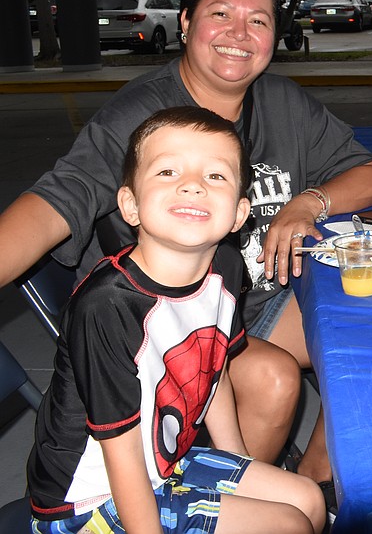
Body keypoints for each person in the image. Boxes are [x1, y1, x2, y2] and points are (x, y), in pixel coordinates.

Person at [0, 0, 372, 491]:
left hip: (257, 299)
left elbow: (370, 175)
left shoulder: (281, 102)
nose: (239, 33)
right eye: (220, 14)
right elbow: (56, 200)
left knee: (370, 321)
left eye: (259, 20)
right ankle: (221, 504)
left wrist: (308, 203)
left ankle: (316, 476)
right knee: (274, 380)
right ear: (185, 23)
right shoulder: (141, 115)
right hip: (169, 322)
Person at [28, 106, 326, 534]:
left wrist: (238, 465)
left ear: (240, 214)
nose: (192, 186)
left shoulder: (224, 263)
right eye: (168, 172)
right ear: (130, 204)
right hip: (90, 500)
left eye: (215, 176)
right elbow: (120, 454)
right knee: (287, 524)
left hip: (164, 464)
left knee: (307, 498)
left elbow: (211, 365)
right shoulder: (108, 307)